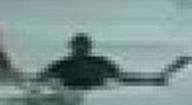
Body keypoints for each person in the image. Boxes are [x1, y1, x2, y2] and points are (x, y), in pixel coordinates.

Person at [40, 33, 190, 90]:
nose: (80, 50)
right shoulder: (62, 65)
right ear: (71, 48)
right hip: (74, 86)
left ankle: (168, 70)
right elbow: (42, 78)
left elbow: (120, 77)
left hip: (98, 84)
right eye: (77, 47)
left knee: (155, 79)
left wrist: (152, 79)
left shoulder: (100, 62)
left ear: (89, 48)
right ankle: (164, 74)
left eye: (83, 47)